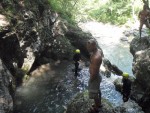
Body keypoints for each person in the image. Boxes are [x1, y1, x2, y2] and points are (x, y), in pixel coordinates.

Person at [87, 39, 103, 113]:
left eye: (89, 47)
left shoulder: (96, 57)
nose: (88, 48)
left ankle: (96, 109)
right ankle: (98, 104)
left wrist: (90, 79)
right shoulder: (98, 50)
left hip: (95, 77)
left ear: (94, 45)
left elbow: (94, 73)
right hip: (96, 76)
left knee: (94, 93)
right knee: (97, 91)